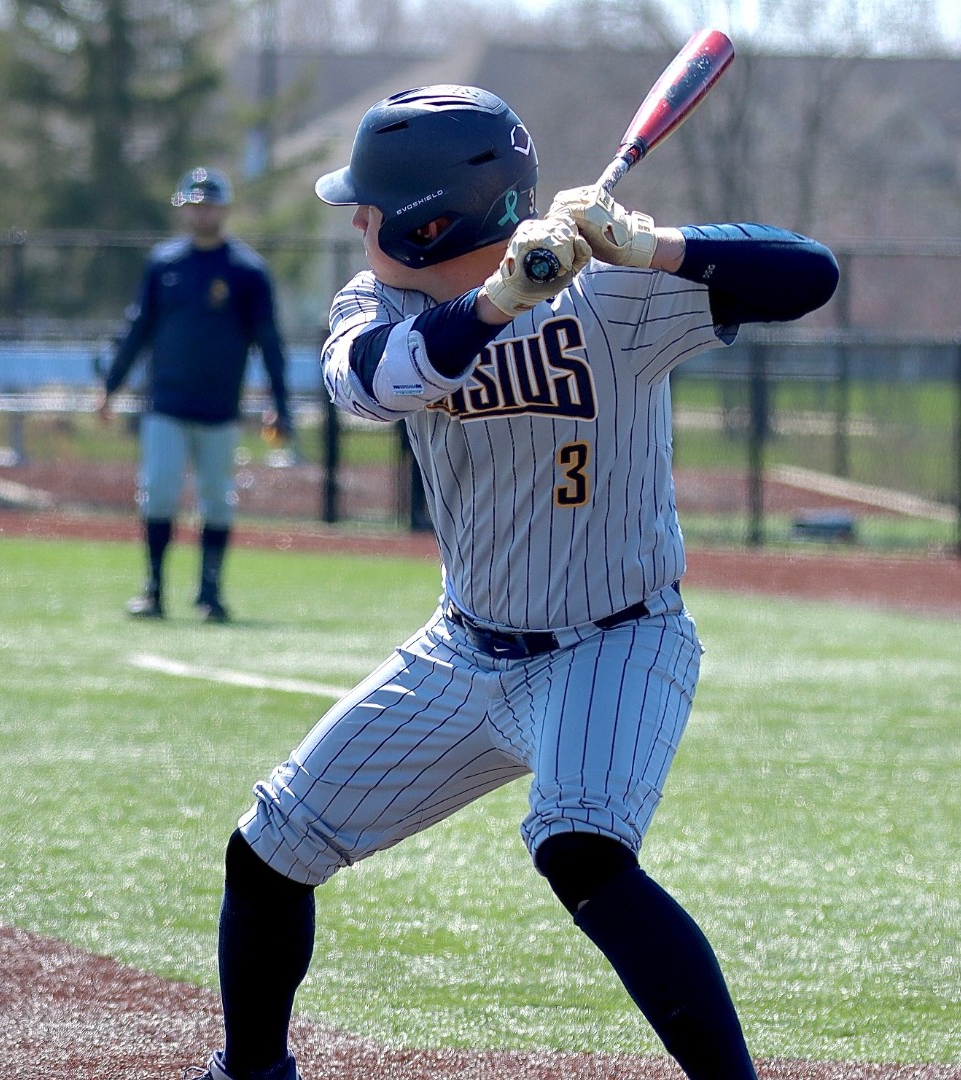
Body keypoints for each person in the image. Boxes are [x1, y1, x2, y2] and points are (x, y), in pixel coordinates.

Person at [180, 84, 838, 1080]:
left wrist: (648, 244)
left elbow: (810, 276)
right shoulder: (382, 303)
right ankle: (251, 1074)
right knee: (268, 852)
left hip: (617, 641)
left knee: (581, 852)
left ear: (426, 218)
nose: (357, 218)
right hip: (464, 649)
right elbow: (376, 384)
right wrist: (497, 303)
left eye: (371, 203)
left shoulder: (616, 289)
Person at [98, 166, 293, 623]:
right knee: (159, 493)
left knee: (217, 498)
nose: (202, 212)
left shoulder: (246, 272)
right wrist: (110, 387)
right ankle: (153, 589)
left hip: (220, 410)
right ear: (184, 209)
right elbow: (137, 330)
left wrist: (279, 403)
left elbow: (269, 343)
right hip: (165, 404)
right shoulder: (164, 264)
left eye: (209, 203)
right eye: (194, 204)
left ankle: (210, 593)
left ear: (223, 209)